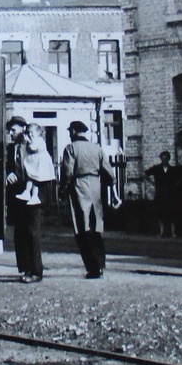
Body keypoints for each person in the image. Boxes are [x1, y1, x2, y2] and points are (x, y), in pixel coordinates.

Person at [59, 119, 120, 278]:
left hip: (79, 186)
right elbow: (109, 173)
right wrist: (109, 191)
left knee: (82, 227)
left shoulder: (71, 148)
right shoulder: (97, 148)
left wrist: (63, 189)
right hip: (95, 186)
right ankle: (100, 263)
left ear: (73, 132)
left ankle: (92, 267)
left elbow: (67, 173)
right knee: (95, 227)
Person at [10, 123, 56, 282]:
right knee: (21, 232)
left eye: (14, 130)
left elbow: (38, 168)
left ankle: (36, 270)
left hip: (34, 194)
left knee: (32, 232)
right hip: (20, 194)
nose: (11, 133)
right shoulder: (13, 149)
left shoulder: (31, 146)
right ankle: (25, 268)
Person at [148, 150, 176, 237]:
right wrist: (152, 183)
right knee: (160, 213)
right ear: (161, 159)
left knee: (171, 213)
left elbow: (177, 178)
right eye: (163, 158)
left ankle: (172, 232)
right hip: (160, 193)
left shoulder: (172, 169)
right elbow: (145, 173)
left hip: (170, 193)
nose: (164, 160)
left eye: (166, 158)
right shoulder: (157, 168)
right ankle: (161, 232)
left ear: (169, 159)